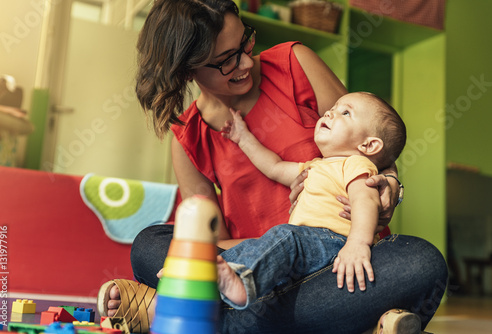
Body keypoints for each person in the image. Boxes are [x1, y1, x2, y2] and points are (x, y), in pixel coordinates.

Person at [96, 1, 448, 333]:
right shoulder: (189, 139)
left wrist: (390, 186)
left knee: (422, 262)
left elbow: (370, 138)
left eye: (245, 43)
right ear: (188, 71)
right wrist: (276, 252)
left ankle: (186, 315)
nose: (246, 63)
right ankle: (351, 323)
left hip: (340, 261)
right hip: (250, 269)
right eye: (226, 60)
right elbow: (209, 243)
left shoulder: (296, 64)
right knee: (150, 244)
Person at [216, 91, 406, 309]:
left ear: (368, 146)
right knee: (257, 245)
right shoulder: (315, 166)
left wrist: (358, 243)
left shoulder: (357, 165)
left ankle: (241, 283)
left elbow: (366, 201)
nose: (330, 112)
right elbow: (274, 167)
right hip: (307, 246)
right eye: (333, 107)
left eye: (345, 112)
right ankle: (200, 273)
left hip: (336, 243)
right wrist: (243, 138)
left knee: (284, 237)